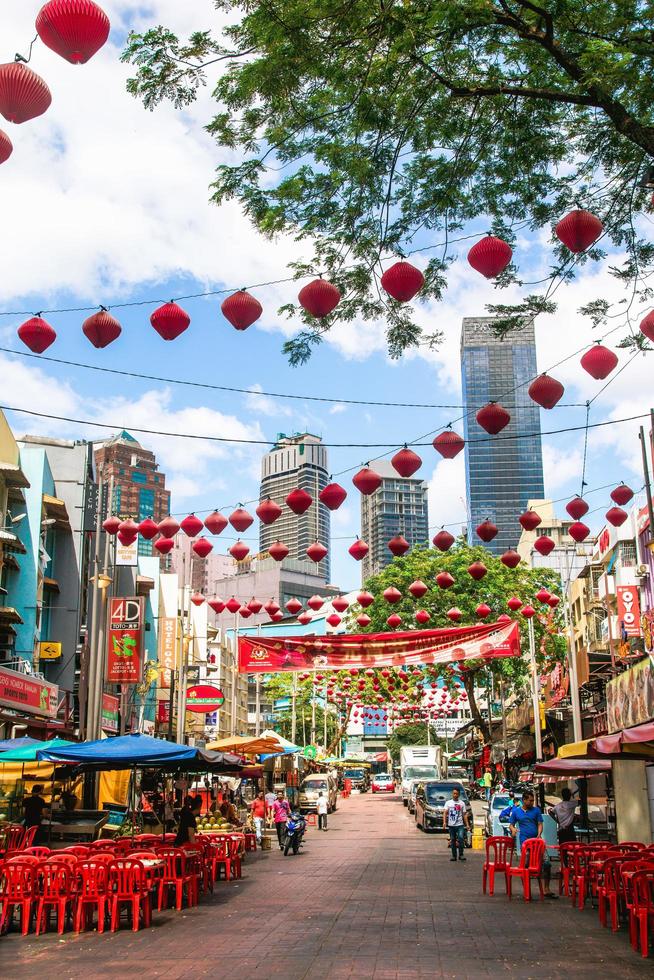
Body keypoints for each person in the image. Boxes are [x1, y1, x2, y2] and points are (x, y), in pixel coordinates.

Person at [509, 789, 557, 898]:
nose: (532, 802)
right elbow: (511, 824)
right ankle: (526, 889)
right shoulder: (516, 811)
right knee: (525, 866)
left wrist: (539, 834)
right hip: (525, 843)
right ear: (524, 800)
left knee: (547, 863)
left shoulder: (536, 811)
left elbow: (540, 824)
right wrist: (513, 829)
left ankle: (546, 888)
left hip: (537, 843)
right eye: (530, 800)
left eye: (533, 800)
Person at [442, 787, 469, 862]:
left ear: (459, 794)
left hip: (460, 825)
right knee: (453, 840)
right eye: (454, 793)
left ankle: (461, 855)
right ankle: (454, 856)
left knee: (461, 838)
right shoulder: (448, 803)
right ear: (452, 794)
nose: (455, 795)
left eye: (457, 794)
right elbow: (445, 813)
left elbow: (464, 814)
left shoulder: (462, 803)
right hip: (451, 825)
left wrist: (467, 825)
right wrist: (444, 822)